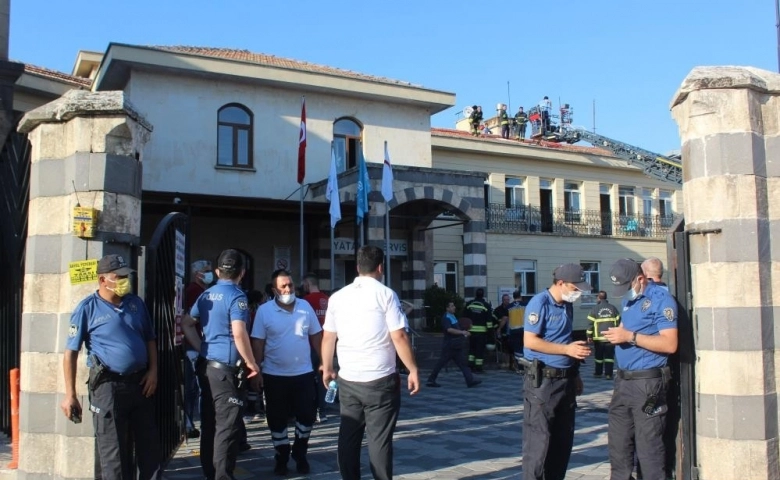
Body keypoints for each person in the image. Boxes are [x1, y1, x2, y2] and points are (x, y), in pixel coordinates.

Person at [321, 245, 420, 480]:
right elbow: (399, 335)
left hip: (349, 379)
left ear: (357, 267)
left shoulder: (338, 297)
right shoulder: (385, 294)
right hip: (380, 379)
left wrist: (327, 367)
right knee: (379, 440)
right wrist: (413, 369)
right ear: (380, 267)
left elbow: (328, 336)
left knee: (348, 437)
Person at [60, 254, 162, 480]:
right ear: (102, 280)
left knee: (149, 449)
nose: (125, 280)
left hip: (140, 383)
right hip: (108, 387)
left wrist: (153, 371)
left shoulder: (135, 303)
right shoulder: (87, 308)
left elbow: (150, 339)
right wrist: (70, 395)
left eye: (127, 276)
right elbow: (70, 353)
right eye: (119, 276)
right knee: (113, 454)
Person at [182, 249, 259, 480]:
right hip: (226, 368)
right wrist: (251, 362)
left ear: (217, 272)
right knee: (228, 426)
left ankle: (211, 473)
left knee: (210, 423)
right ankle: (223, 476)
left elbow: (187, 323)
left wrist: (201, 348)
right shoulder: (237, 296)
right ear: (242, 273)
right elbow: (239, 332)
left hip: (208, 366)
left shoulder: (206, 295)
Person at [603, 259, 678, 480]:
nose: (622, 293)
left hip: (648, 383)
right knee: (619, 444)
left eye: (626, 287)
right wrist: (619, 335)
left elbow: (670, 344)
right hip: (624, 381)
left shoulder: (661, 300)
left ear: (640, 279)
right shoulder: (630, 301)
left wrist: (630, 337)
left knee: (649, 447)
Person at [521, 263, 591, 480]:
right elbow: (530, 341)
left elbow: (565, 338)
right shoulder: (539, 303)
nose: (578, 293)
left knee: (562, 443)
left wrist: (575, 372)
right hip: (542, 383)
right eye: (575, 288)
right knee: (539, 445)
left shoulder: (566, 305)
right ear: (561, 283)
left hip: (565, 381)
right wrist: (566, 349)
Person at [251, 269, 323, 475]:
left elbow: (317, 335)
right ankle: (281, 456)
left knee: (307, 416)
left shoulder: (305, 306)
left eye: (290, 284)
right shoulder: (264, 311)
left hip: (303, 374)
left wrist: (326, 363)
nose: (288, 289)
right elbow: (258, 342)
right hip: (275, 375)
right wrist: (256, 370)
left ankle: (300, 453)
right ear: (274, 289)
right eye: (283, 286)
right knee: (276, 419)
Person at [183, 259, 213, 439]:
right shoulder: (194, 291)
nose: (210, 274)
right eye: (207, 270)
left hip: (198, 344)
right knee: (195, 387)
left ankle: (190, 422)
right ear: (198, 274)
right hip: (195, 345)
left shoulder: (201, 291)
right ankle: (190, 422)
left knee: (196, 388)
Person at [426, 301, 481, 388]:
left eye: (454, 306)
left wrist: (465, 330)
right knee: (441, 363)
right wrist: (462, 332)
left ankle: (470, 381)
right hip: (450, 345)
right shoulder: (446, 318)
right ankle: (431, 380)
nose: (454, 307)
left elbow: (457, 327)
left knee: (463, 364)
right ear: (447, 308)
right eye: (452, 306)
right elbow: (449, 330)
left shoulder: (452, 316)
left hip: (456, 345)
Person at [302, 272, 330, 423]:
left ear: (307, 283)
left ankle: (311, 408)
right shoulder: (327, 300)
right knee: (323, 376)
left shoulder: (305, 301)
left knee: (308, 378)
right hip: (327, 344)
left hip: (310, 345)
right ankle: (322, 410)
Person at [586, 291, 620, 379]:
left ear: (598, 298)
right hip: (610, 337)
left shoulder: (595, 309)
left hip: (598, 339)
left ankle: (598, 373)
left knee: (598, 357)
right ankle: (608, 374)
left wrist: (589, 336)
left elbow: (590, 324)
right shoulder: (613, 308)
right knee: (609, 357)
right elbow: (618, 322)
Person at [464, 288, 494, 373]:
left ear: (475, 294)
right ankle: (479, 367)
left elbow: (464, 318)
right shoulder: (486, 305)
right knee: (479, 350)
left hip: (470, 332)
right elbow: (489, 321)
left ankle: (470, 365)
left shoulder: (469, 304)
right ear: (483, 295)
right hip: (481, 332)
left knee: (471, 349)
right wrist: (490, 333)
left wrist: (465, 330)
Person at [505, 290, 526, 371]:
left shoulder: (509, 307)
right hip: (525, 330)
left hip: (513, 331)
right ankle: (525, 365)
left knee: (517, 349)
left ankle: (520, 367)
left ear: (513, 297)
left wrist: (499, 329)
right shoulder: (526, 305)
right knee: (525, 348)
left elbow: (505, 319)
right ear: (520, 296)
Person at [493, 294, 511, 367]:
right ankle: (505, 363)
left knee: (510, 348)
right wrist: (497, 329)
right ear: (502, 300)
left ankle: (510, 363)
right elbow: (493, 321)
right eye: (505, 300)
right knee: (503, 348)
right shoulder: (497, 310)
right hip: (502, 332)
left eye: (507, 300)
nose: (506, 301)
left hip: (511, 332)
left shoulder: (512, 308)